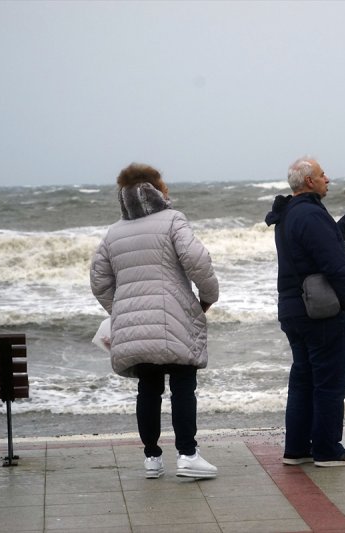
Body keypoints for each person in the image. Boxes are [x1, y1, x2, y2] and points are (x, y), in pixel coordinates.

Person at [90, 163, 219, 479]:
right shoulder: (173, 220)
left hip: (134, 327)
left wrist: (120, 310)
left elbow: (99, 281)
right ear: (154, 190)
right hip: (175, 318)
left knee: (147, 390)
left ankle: (152, 458)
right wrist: (206, 298)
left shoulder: (113, 233)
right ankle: (188, 455)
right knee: (183, 388)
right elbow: (198, 260)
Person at [264, 156, 345, 467]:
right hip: (322, 312)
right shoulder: (310, 215)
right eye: (323, 175)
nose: (328, 179)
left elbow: (331, 244)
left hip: (295, 309)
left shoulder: (290, 214)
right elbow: (335, 262)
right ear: (309, 181)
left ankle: (297, 449)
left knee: (304, 379)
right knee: (329, 382)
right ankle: (327, 449)